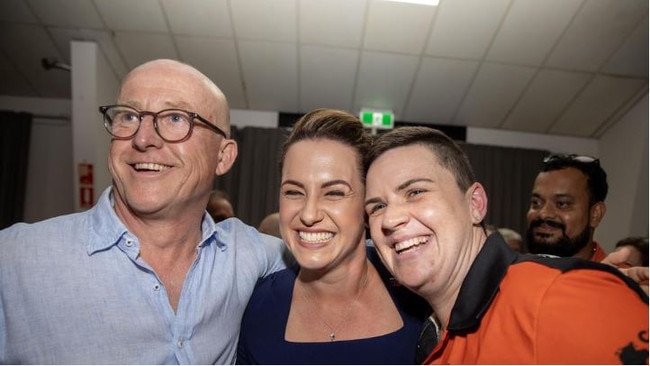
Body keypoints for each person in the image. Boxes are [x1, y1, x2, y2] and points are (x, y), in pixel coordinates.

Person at [0, 59, 288, 364]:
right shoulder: (14, 260)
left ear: (223, 156)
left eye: (176, 118)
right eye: (128, 116)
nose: (143, 138)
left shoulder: (250, 255)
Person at [363, 126, 648, 364]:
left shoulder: (559, 297)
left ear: (475, 204)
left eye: (415, 192)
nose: (390, 218)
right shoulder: (431, 336)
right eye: (376, 207)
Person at [237, 109, 430, 364]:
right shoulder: (257, 307)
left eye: (335, 193)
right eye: (294, 192)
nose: (309, 214)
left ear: (367, 203)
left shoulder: (419, 291)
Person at [525, 153, 609, 261]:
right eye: (536, 203)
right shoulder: (509, 272)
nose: (544, 214)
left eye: (562, 204)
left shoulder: (614, 276)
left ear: (595, 214)